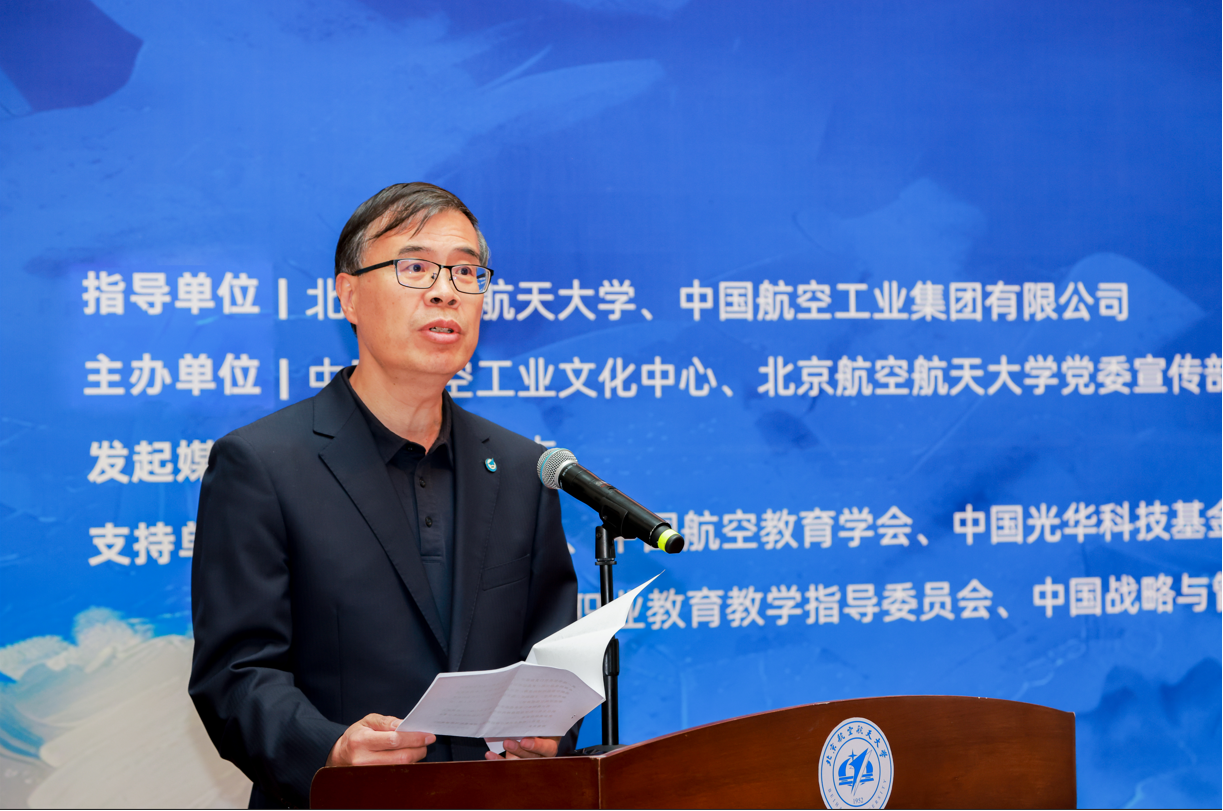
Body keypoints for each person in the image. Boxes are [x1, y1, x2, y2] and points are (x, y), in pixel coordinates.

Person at [189, 183, 580, 808]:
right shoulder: (262, 463)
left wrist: (550, 732)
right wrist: (329, 749)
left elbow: (550, 657)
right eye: (415, 267)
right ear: (348, 296)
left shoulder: (521, 469)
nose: (445, 291)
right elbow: (235, 675)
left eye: (465, 272)